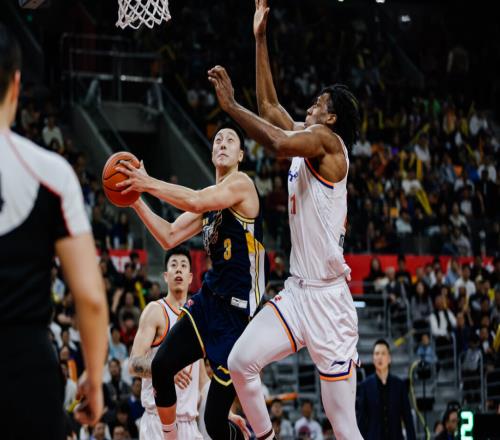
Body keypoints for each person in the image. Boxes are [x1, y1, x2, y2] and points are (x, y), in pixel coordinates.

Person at [211, 2, 362, 439]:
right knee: (241, 362)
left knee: (343, 426)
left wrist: (231, 106)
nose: (311, 106)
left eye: (318, 103)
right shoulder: (308, 138)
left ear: (331, 117)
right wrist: (260, 38)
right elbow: (270, 106)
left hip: (330, 303)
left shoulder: (328, 143)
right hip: (298, 292)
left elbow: (275, 141)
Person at [116, 125, 263, 440]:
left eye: (230, 140)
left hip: (237, 317)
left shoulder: (242, 184)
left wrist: (147, 182)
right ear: (212, 153)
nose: (222, 143)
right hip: (210, 300)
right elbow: (169, 235)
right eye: (218, 139)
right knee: (161, 366)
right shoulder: (209, 205)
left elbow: (195, 200)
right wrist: (135, 200)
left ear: (240, 155)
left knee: (214, 423)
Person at [0, 25, 108, 438]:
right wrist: (93, 378)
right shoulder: (50, 173)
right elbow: (90, 298)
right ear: (16, 85)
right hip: (24, 376)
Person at [128, 246, 204, 439]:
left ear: (190, 277)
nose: (178, 269)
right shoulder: (155, 311)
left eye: (183, 265)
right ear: (165, 276)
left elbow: (203, 381)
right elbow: (134, 365)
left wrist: (226, 412)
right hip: (158, 422)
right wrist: (165, 371)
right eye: (174, 265)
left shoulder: (198, 317)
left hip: (189, 425)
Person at [356, 340, 416, 440]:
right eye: (376, 354)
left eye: (383, 353)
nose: (379, 357)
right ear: (373, 358)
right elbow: (361, 422)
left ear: (389, 359)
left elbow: (408, 420)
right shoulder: (365, 386)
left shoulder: (400, 385)